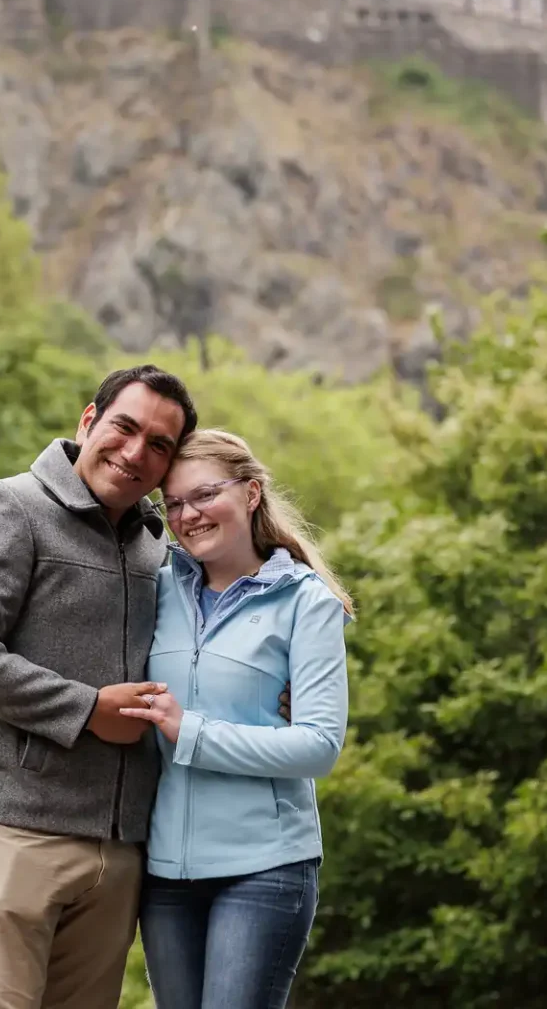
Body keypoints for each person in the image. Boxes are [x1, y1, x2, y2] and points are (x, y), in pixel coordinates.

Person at [0, 365, 200, 1009]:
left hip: (119, 850)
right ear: (88, 420)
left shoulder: (160, 549)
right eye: (124, 428)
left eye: (158, 445)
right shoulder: (10, 506)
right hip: (8, 830)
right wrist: (85, 709)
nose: (135, 453)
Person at [118, 428, 354, 1009]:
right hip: (166, 873)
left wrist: (190, 730)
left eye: (204, 495)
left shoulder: (306, 602)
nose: (187, 515)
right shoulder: (156, 584)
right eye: (172, 503)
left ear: (251, 494)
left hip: (265, 867)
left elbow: (318, 745)